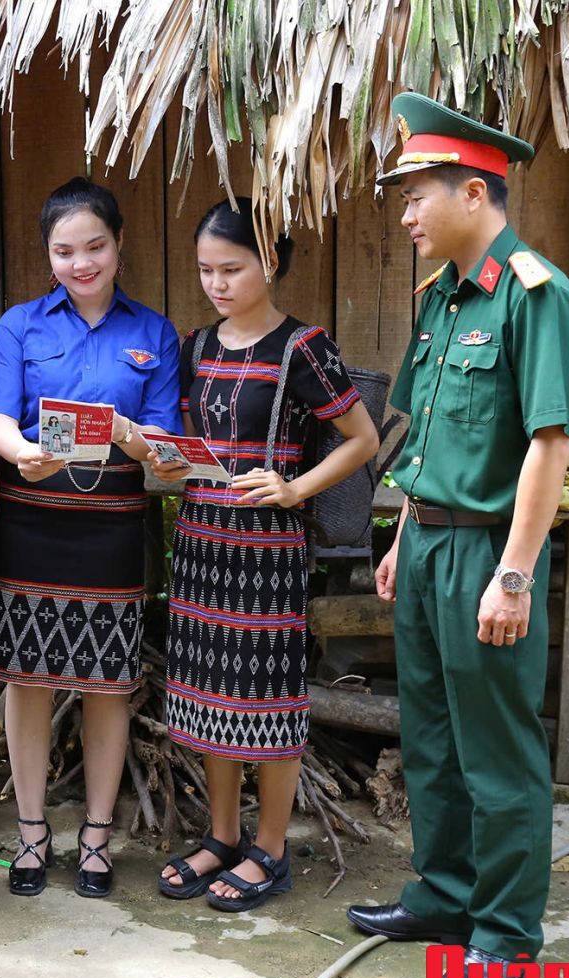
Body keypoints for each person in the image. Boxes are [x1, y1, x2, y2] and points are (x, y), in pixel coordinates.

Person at [345, 93, 569, 978]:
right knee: (433, 739)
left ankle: (506, 930)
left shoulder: (535, 294)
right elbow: (430, 435)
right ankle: (443, 897)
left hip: (490, 554)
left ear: (474, 193)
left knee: (498, 749)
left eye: (417, 197)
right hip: (428, 549)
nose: (406, 215)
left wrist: (515, 574)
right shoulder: (443, 299)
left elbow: (548, 445)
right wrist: (404, 535)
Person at [158, 198, 378, 911]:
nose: (216, 283)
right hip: (200, 544)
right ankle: (222, 836)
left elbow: (363, 438)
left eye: (232, 268)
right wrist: (167, 460)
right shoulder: (196, 347)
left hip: (269, 550)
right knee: (210, 697)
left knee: (270, 701)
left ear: (271, 262)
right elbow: (191, 441)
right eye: (206, 270)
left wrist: (294, 488)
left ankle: (271, 850)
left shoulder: (302, 347)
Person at [0, 176, 188, 898]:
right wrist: (18, 452)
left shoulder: (154, 333)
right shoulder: (19, 326)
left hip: (114, 525)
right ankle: (31, 831)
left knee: (108, 683)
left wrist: (134, 435)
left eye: (94, 246)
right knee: (27, 677)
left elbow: (165, 444)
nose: (81, 263)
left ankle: (96, 834)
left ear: (119, 243)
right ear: (48, 254)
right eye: (64, 251)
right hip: (29, 514)